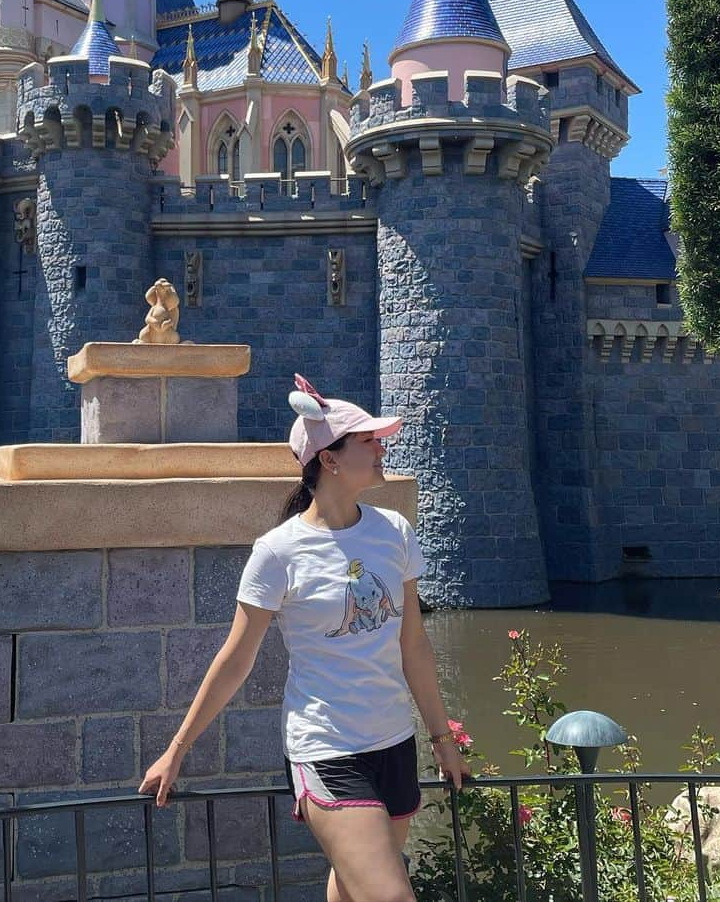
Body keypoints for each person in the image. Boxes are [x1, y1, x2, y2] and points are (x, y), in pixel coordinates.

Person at [139, 374, 471, 902]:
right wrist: (177, 751)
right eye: (368, 440)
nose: (381, 446)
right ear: (330, 460)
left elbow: (414, 648)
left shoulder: (394, 532)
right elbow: (236, 659)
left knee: (351, 886)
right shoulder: (278, 552)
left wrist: (441, 741)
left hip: (394, 745)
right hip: (327, 750)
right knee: (390, 896)